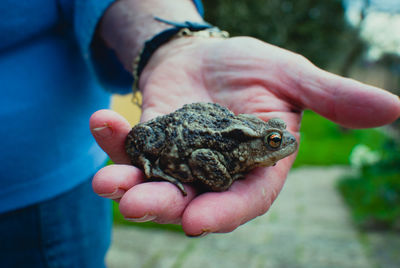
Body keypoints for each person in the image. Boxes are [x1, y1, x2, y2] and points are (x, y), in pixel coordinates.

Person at [0, 0, 398, 267]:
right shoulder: (227, 155)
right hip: (177, 130)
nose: (283, 143)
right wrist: (222, 179)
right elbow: (201, 158)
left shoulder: (242, 143)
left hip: (48, 179)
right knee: (146, 140)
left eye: (275, 138)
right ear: (253, 147)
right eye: (273, 142)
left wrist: (172, 43)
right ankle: (151, 163)